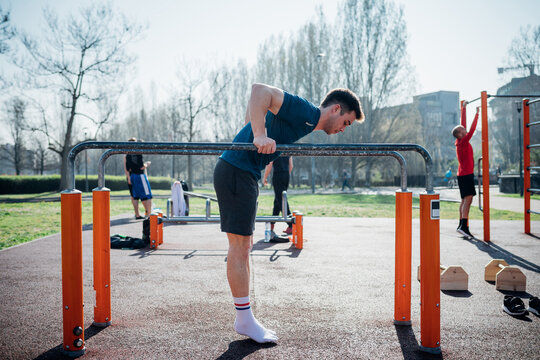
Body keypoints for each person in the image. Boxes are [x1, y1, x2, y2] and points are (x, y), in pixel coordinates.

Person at [213, 83, 364, 343]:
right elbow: (259, 91)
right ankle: (244, 320)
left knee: (244, 246)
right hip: (236, 170)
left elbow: (258, 110)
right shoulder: (305, 111)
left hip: (243, 171)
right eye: (346, 122)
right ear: (336, 109)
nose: (343, 129)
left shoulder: (305, 123)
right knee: (239, 248)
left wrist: (255, 130)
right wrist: (258, 134)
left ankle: (245, 317)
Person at [452, 102, 479, 238]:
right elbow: (472, 129)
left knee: (464, 200)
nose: (465, 129)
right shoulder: (463, 141)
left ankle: (462, 226)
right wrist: (477, 114)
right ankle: (463, 226)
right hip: (466, 174)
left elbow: (463, 124)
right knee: (468, 200)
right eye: (463, 129)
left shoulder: (460, 141)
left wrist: (463, 108)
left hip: (462, 174)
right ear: (460, 134)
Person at [262, 156, 293, 237]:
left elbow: (269, 164)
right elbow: (291, 166)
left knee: (281, 200)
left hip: (278, 175)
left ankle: (291, 224)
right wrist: (286, 175)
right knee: (278, 200)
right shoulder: (287, 148)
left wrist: (264, 177)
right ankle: (272, 223)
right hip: (286, 175)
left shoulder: (274, 148)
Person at [124, 137, 153, 219]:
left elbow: (127, 168)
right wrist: (147, 164)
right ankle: (149, 215)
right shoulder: (137, 153)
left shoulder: (128, 154)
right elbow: (141, 167)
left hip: (133, 175)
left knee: (136, 196)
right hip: (139, 175)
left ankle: (144, 213)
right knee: (147, 196)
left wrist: (129, 177)